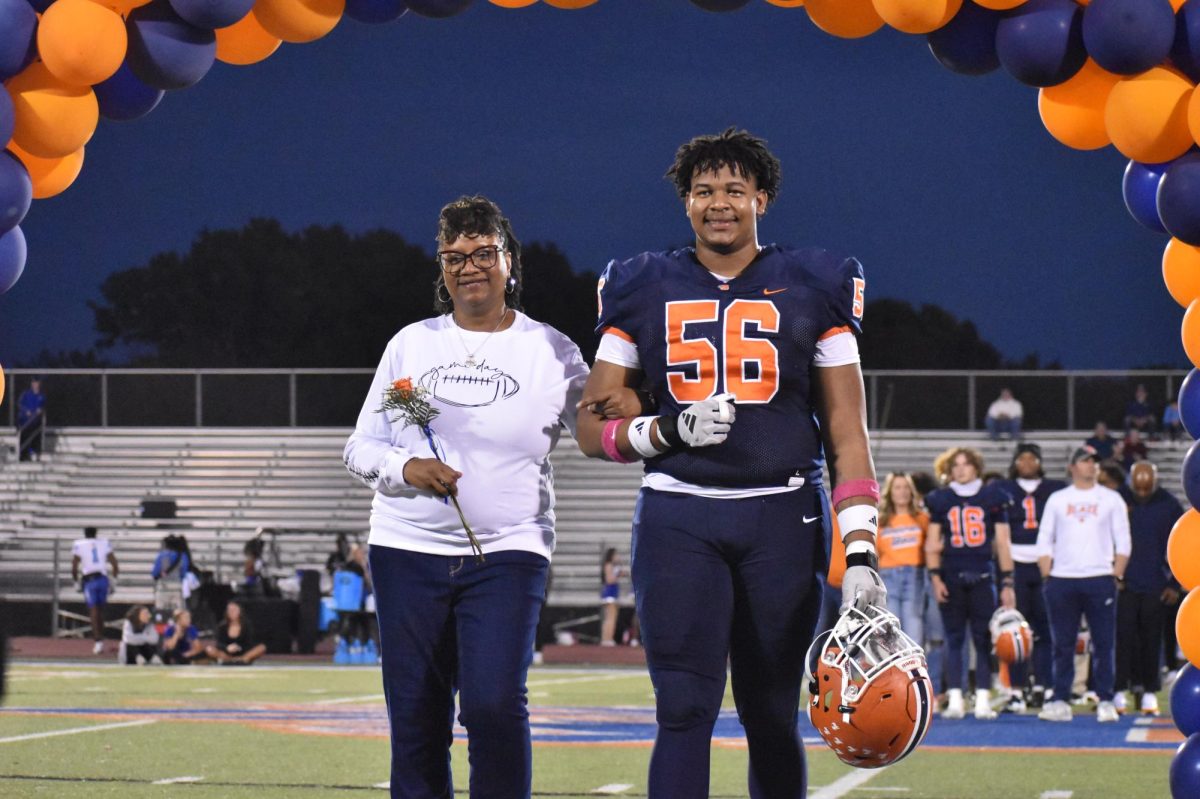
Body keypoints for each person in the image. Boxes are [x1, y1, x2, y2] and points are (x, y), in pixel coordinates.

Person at [576, 129, 884, 799]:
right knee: (683, 709)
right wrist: (666, 429)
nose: (720, 203)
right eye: (705, 191)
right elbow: (590, 425)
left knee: (772, 713)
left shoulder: (817, 281)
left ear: (762, 200)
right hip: (678, 513)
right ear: (686, 202)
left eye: (735, 191)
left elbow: (846, 431)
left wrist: (859, 553)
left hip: (783, 513)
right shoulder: (640, 284)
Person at [343, 195, 642, 799]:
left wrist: (636, 408)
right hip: (406, 550)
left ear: (510, 261)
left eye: (483, 252)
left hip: (507, 552)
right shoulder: (410, 345)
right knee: (417, 717)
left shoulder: (551, 351)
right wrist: (406, 465)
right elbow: (359, 447)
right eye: (454, 255)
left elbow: (597, 424)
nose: (468, 265)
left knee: (494, 704)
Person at [1035, 445, 1131, 723]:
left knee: (1103, 643)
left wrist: (1116, 575)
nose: (1091, 465)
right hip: (1062, 579)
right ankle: (1060, 699)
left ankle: (1105, 699)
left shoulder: (1111, 499)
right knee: (1062, 643)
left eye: (1094, 461)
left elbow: (1123, 539)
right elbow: (1045, 538)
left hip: (1099, 577)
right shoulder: (1058, 499)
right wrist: (1047, 576)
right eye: (1085, 461)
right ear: (1073, 466)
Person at [925, 447, 1015, 721]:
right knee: (954, 640)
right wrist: (936, 577)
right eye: (956, 465)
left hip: (982, 576)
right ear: (949, 469)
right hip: (952, 576)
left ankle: (984, 698)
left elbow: (1002, 542)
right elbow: (932, 543)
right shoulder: (940, 499)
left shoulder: (992, 497)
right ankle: (955, 697)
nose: (961, 469)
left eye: (966, 464)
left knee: (984, 639)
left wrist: (1008, 581)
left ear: (976, 467)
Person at [994, 443, 1065, 711]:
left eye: (1031, 458)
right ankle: (1016, 689)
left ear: (1039, 462)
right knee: (1015, 633)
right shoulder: (1003, 490)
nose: (1026, 462)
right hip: (1016, 564)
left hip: (1046, 563)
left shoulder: (1056, 490)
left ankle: (1045, 686)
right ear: (1014, 462)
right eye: (1021, 458)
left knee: (1046, 630)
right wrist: (1006, 575)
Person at [1116, 461, 1182, 715]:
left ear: (1155, 483)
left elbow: (1180, 546)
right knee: (1122, 639)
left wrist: (1174, 583)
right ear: (1132, 483)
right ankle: (1119, 689)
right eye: (1138, 489)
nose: (1142, 494)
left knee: (1152, 639)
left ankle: (1149, 691)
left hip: (1155, 583)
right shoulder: (1117, 500)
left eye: (1147, 489)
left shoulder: (1169, 505)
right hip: (1124, 582)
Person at [877, 473, 929, 643]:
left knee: (914, 624)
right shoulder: (881, 521)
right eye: (898, 487)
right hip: (888, 576)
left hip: (914, 576)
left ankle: (914, 668)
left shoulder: (922, 518)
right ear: (890, 492)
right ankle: (895, 668)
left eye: (906, 487)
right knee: (890, 627)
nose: (902, 492)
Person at [71, 526, 119, 655]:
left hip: (90, 580)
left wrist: (76, 581)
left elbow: (74, 566)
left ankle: (98, 641)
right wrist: (114, 580)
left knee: (93, 611)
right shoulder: (104, 543)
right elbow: (114, 563)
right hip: (103, 579)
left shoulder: (79, 544)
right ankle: (100, 640)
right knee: (101, 610)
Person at [204, 600, 266, 665]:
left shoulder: (246, 625)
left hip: (243, 653)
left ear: (239, 611)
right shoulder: (222, 626)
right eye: (229, 610)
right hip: (226, 654)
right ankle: (228, 661)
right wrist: (227, 647)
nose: (231, 612)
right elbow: (218, 643)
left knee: (262, 647)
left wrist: (239, 647)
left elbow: (250, 643)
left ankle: (242, 660)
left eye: (234, 610)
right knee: (209, 649)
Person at [151, 534, 191, 612]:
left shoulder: (162, 555)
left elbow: (155, 573)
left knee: (161, 611)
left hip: (163, 586)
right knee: (178, 612)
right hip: (177, 586)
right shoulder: (182, 556)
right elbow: (184, 573)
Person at [16, 376, 45, 461]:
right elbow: (20, 404)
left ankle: (33, 453)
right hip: (25, 421)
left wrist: (40, 411)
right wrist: (26, 411)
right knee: (24, 436)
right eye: (33, 383)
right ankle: (22, 455)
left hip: (35, 422)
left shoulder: (41, 396)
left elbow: (41, 407)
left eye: (37, 383)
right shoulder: (26, 394)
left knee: (34, 437)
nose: (35, 385)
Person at [600, 547, 624, 646]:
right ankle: (607, 638)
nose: (617, 557)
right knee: (611, 618)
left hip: (612, 593)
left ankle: (607, 638)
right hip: (610, 593)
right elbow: (609, 580)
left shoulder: (612, 566)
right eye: (615, 555)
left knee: (610, 618)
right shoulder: (609, 565)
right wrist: (618, 575)